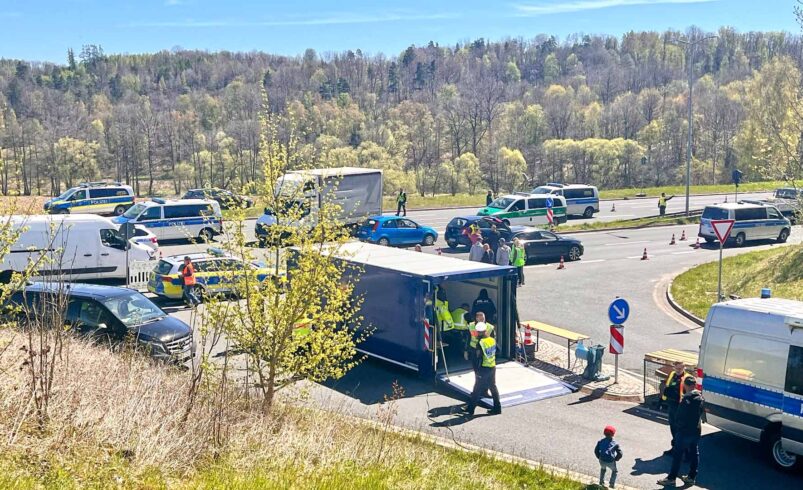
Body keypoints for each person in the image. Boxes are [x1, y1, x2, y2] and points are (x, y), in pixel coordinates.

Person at [658, 376, 704, 487]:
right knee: (694, 453)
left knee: (677, 454)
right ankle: (691, 477)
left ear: (685, 385)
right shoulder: (700, 397)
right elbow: (701, 412)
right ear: (695, 385)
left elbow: (679, 416)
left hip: (684, 431)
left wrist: (678, 427)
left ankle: (671, 478)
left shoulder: (686, 398)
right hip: (696, 430)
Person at [463, 322, 501, 416]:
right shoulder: (492, 340)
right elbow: (498, 351)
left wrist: (477, 370)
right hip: (492, 366)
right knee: (493, 387)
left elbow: (478, 357)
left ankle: (470, 410)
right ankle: (497, 408)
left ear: (478, 332)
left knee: (477, 389)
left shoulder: (480, 343)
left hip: (483, 368)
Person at [661, 361, 692, 454]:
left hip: (681, 408)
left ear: (684, 368)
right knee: (673, 428)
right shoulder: (672, 374)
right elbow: (668, 386)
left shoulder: (687, 378)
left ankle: (685, 452)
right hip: (672, 405)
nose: (679, 370)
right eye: (677, 368)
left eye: (681, 368)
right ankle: (675, 448)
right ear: (673, 367)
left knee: (681, 430)